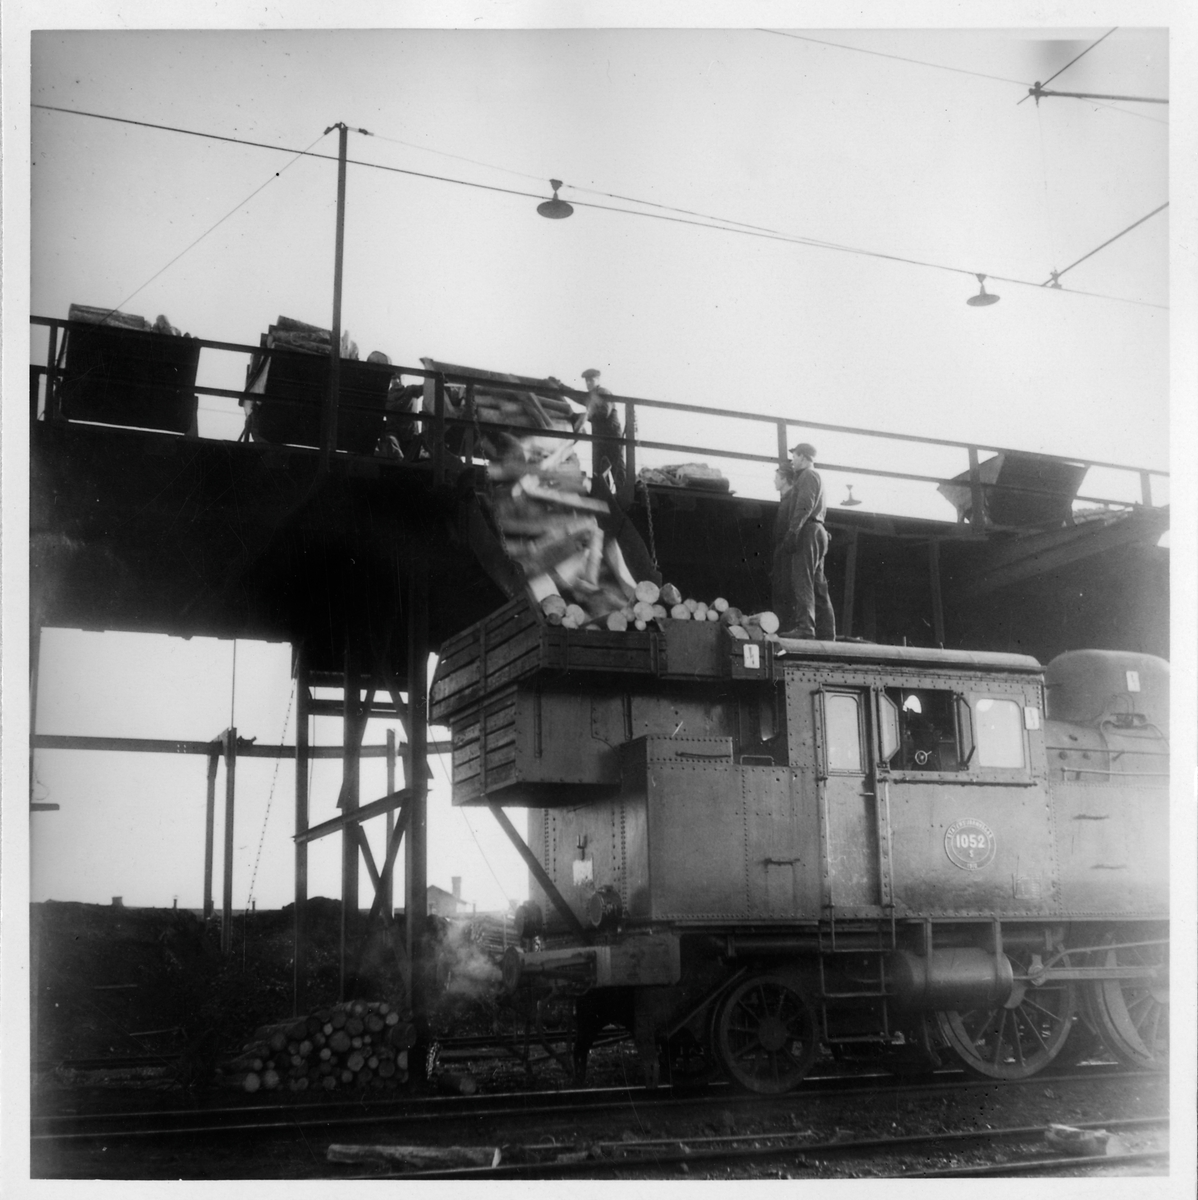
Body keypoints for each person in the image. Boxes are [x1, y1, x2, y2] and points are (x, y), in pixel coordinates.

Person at [780, 442, 836, 640]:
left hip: (808, 530)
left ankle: (805, 627)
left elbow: (805, 505)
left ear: (803, 457)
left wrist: (793, 530)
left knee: (802, 579)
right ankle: (827, 632)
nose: (792, 460)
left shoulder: (807, 475)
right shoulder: (816, 476)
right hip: (818, 530)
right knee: (819, 585)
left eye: (795, 456)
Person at [770, 463, 797, 631]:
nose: (774, 481)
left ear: (785, 479)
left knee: (784, 591)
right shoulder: (787, 500)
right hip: (782, 550)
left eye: (777, 478)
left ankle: (784, 629)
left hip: (786, 551)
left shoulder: (791, 501)